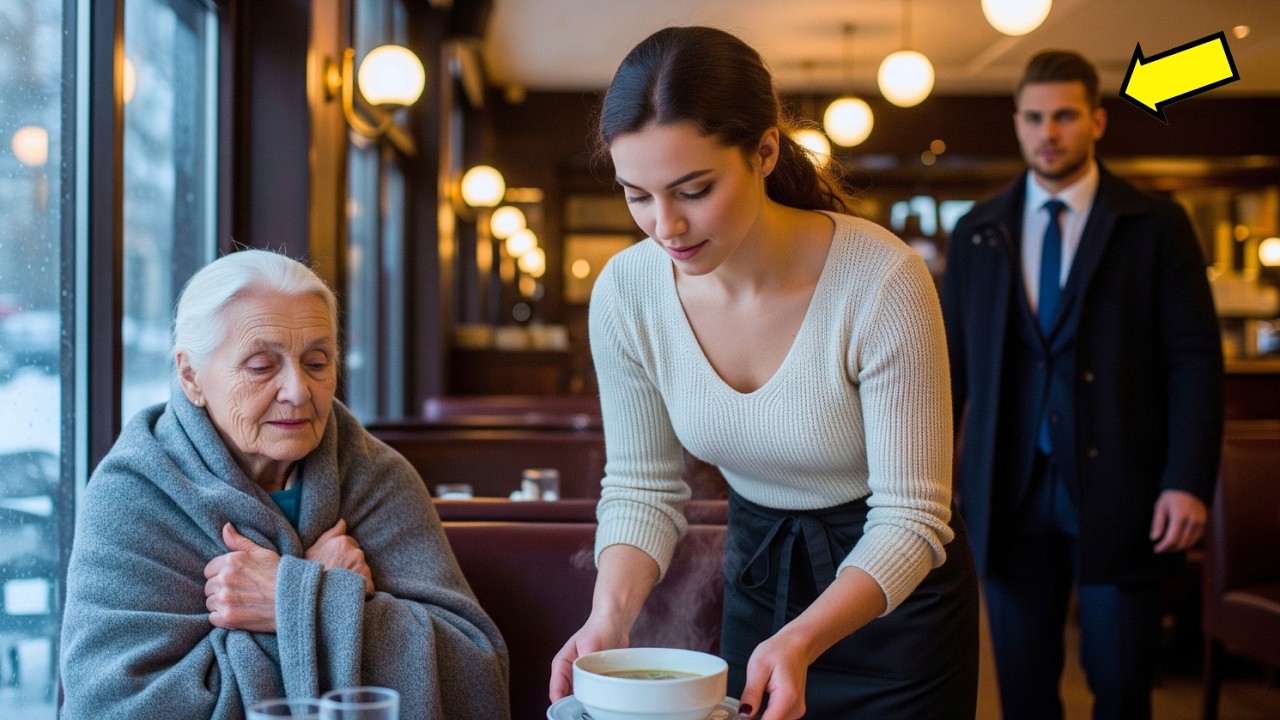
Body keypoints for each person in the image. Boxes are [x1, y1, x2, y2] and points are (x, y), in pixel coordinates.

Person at [550, 26, 978, 719]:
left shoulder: (882, 280)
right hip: (758, 580)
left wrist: (805, 637)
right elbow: (642, 488)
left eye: (693, 190)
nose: (665, 227)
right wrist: (611, 617)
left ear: (766, 151)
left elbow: (912, 516)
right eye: (637, 195)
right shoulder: (627, 293)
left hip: (894, 603)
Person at [59, 249, 510, 719]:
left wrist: (286, 600)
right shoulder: (134, 495)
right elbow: (110, 708)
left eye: (317, 363)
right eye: (261, 366)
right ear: (191, 376)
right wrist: (319, 597)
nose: (298, 391)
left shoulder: (377, 476)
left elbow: (476, 676)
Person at [940, 50, 1224, 720]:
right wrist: (928, 482)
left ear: (1097, 121)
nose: (1049, 132)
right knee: (1024, 688)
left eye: (1065, 115)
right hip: (1007, 493)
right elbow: (946, 368)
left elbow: (1195, 361)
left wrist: (1186, 479)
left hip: (1125, 487)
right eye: (1035, 117)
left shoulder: (1155, 225)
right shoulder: (978, 231)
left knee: (1122, 686)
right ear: (1016, 123)